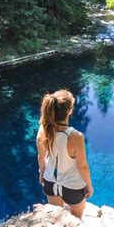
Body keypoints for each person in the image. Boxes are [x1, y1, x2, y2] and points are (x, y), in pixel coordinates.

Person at [36, 89, 94, 219]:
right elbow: (82, 166)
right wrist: (89, 186)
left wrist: (41, 174)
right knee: (76, 218)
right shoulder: (76, 136)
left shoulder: (42, 130)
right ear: (69, 111)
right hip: (73, 187)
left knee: (56, 219)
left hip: (50, 182)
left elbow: (41, 157)